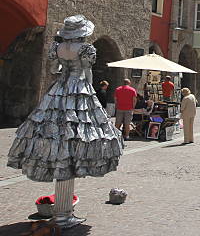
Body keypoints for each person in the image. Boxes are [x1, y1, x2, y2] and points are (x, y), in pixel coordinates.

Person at [7, 15, 123, 228]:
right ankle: (64, 214)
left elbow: (53, 71)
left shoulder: (57, 48)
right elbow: (87, 74)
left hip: (58, 92)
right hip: (78, 91)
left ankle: (62, 212)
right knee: (79, 136)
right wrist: (90, 97)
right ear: (82, 32)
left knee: (56, 137)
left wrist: (64, 70)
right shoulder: (86, 49)